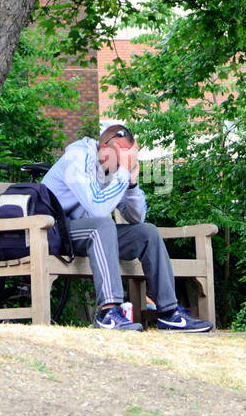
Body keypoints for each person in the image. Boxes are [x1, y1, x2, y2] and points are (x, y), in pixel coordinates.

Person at [41, 121, 213, 332]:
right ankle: (108, 313)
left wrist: (131, 184)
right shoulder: (77, 158)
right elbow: (98, 210)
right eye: (121, 156)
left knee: (147, 232)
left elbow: (136, 218)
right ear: (104, 148)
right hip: (55, 233)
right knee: (102, 225)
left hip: (93, 236)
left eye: (128, 158)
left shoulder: (113, 170)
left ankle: (169, 314)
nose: (124, 163)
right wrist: (123, 171)